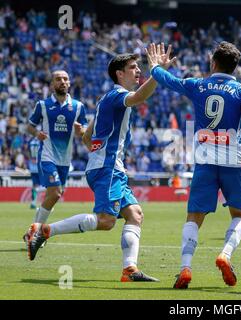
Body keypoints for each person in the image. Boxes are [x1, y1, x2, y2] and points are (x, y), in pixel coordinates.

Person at [26, 49, 175, 282]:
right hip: (107, 168)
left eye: (139, 67)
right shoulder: (118, 96)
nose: (138, 71)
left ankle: (130, 270)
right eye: (133, 68)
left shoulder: (105, 99)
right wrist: (158, 72)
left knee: (135, 214)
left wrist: (88, 137)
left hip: (109, 166)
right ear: (119, 74)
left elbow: (88, 138)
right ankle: (45, 231)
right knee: (106, 221)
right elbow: (138, 98)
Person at [146, 41, 241, 289]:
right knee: (239, 215)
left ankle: (185, 268)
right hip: (234, 161)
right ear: (234, 67)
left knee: (194, 217)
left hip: (205, 161)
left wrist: (155, 67)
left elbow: (169, 81)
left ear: (213, 62)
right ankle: (225, 255)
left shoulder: (198, 85)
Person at [23, 70, 87, 242]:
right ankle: (36, 234)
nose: (63, 82)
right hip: (47, 156)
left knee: (53, 196)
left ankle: (33, 229)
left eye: (66, 79)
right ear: (52, 84)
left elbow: (85, 131)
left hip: (65, 160)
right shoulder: (42, 105)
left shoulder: (78, 106)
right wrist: (37, 133)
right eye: (58, 79)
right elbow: (29, 127)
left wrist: (81, 131)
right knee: (56, 193)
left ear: (69, 82)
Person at [28, 137, 42, 209]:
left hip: (32, 166)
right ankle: (45, 204)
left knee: (34, 185)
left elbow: (28, 153)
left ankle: (33, 203)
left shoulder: (31, 141)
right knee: (44, 185)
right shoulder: (41, 141)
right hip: (39, 166)